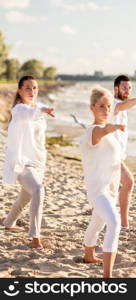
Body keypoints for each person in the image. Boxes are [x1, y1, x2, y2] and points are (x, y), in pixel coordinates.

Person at [2, 75, 55, 249]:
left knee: (25, 196)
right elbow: (28, 113)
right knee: (38, 190)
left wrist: (43, 109)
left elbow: (39, 136)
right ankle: (35, 238)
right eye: (27, 88)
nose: (32, 91)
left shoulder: (37, 109)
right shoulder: (19, 110)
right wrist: (44, 109)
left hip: (38, 161)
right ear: (20, 91)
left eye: (34, 88)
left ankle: (8, 222)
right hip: (22, 162)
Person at [79, 87, 125, 278]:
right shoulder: (93, 131)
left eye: (108, 107)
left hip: (111, 188)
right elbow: (101, 130)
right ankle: (107, 275)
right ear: (92, 108)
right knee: (114, 223)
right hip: (98, 190)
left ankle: (89, 255)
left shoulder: (111, 133)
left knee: (97, 223)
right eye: (101, 107)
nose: (106, 110)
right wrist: (111, 128)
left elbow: (115, 160)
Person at [110, 75, 136, 229]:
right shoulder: (113, 103)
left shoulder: (121, 105)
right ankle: (124, 222)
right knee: (128, 182)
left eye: (130, 88)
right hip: (109, 156)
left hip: (115, 156)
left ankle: (115, 220)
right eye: (124, 88)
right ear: (116, 89)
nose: (127, 91)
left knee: (111, 188)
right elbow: (122, 106)